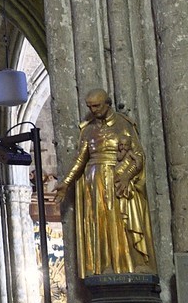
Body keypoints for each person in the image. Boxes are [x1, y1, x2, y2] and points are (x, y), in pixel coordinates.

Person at [49, 88, 155, 277]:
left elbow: (138, 155)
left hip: (117, 179)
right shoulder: (88, 130)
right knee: (101, 224)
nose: (94, 110)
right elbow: (80, 159)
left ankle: (129, 264)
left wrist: (126, 175)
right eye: (90, 107)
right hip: (94, 181)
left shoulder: (124, 124)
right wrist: (66, 182)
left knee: (121, 220)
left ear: (108, 103)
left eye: (97, 105)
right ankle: (105, 266)